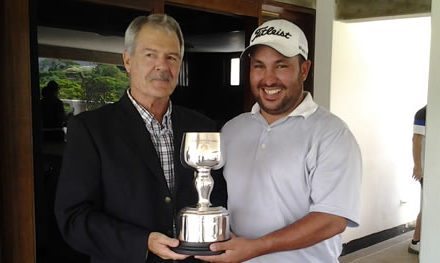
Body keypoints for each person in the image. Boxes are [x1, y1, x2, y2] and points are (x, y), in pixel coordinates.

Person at [54, 14, 227, 263]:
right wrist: (142, 242)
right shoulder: (91, 129)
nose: (162, 66)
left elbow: (217, 197)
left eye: (171, 57)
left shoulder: (202, 127)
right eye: (150, 55)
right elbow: (74, 218)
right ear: (128, 60)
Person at [196, 19, 362, 262]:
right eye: (259, 66)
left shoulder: (332, 134)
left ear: (304, 69)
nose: (268, 79)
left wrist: (256, 247)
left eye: (281, 66)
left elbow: (331, 220)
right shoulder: (232, 129)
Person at [408, 105, 426, 254]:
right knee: (427, 206)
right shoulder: (423, 113)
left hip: (433, 170)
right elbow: (416, 139)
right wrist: (418, 166)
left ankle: (419, 240)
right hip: (427, 171)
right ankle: (416, 241)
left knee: (428, 206)